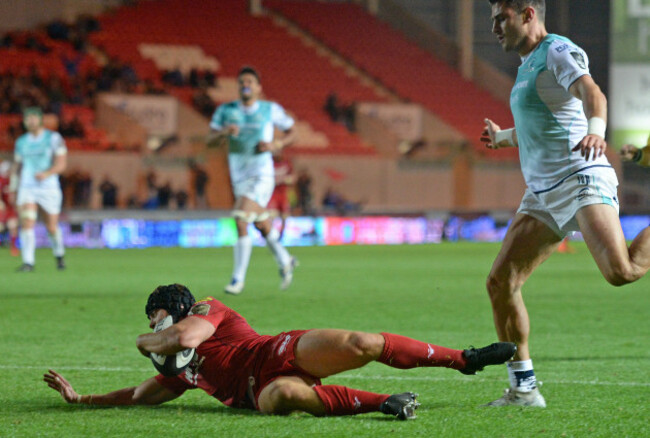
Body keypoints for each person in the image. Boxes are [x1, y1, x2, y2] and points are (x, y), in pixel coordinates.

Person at [480, 0, 650, 407]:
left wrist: (596, 131)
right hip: (542, 193)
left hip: (579, 177)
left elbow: (592, 94)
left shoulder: (556, 50)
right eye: (492, 21)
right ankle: (524, 389)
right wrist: (504, 137)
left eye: (501, 18)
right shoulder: (527, 67)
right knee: (500, 283)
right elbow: (542, 123)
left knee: (622, 272)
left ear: (527, 14)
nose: (494, 28)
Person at [44, 284, 517, 420]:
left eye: (155, 317)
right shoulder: (175, 371)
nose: (151, 326)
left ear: (169, 311)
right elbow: (138, 395)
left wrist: (143, 340)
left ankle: (465, 359)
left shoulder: (205, 311)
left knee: (362, 343)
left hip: (278, 350)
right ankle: (384, 402)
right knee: (282, 400)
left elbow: (185, 338)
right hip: (261, 390)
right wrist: (82, 399)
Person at [207, 66, 297, 295]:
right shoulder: (226, 110)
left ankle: (238, 279)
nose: (245, 85)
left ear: (258, 87)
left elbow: (292, 132)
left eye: (249, 81)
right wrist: (224, 133)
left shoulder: (269, 109)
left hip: (261, 174)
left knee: (240, 218)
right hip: (238, 175)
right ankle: (285, 260)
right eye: (242, 82)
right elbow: (209, 140)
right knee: (259, 223)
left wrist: (276, 144)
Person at [10, 107, 67, 271]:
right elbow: (17, 165)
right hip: (27, 186)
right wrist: (13, 187)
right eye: (27, 118)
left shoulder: (53, 138)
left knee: (51, 227)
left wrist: (47, 173)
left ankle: (59, 254)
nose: (30, 121)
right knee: (27, 222)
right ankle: (28, 262)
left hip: (48, 187)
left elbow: (62, 164)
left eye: (33, 117)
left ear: (40, 119)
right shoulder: (21, 141)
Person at [267, 152, 294, 240]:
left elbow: (292, 178)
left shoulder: (286, 164)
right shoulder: (269, 164)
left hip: (283, 194)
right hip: (273, 194)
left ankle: (281, 233)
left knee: (284, 215)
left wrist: (288, 180)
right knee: (271, 215)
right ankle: (271, 234)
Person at [0, 160, 19, 256]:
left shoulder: (13, 180)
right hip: (2, 207)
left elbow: (15, 195)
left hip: (10, 208)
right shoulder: (1, 180)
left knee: (13, 226)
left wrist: (14, 200)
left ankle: (13, 247)